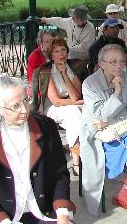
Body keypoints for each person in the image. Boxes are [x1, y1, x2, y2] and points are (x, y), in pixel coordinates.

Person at [0, 75, 76, 224]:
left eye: (25, 100)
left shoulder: (46, 127)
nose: (24, 110)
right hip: (0, 216)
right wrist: (3, 221)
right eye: (15, 106)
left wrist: (62, 213)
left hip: (42, 210)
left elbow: (59, 174)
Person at [80, 44, 127, 216]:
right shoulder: (90, 84)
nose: (119, 66)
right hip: (99, 135)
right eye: (113, 62)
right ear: (102, 64)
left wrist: (109, 119)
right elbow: (99, 116)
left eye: (122, 62)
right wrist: (117, 92)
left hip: (123, 129)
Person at [31, 37, 83, 174]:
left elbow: (75, 95)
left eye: (63, 50)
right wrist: (77, 103)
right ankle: (77, 158)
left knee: (79, 114)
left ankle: (80, 154)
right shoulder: (46, 71)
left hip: (73, 104)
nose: (61, 54)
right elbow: (56, 101)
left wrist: (65, 74)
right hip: (53, 107)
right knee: (74, 114)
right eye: (56, 51)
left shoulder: (73, 67)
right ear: (51, 55)